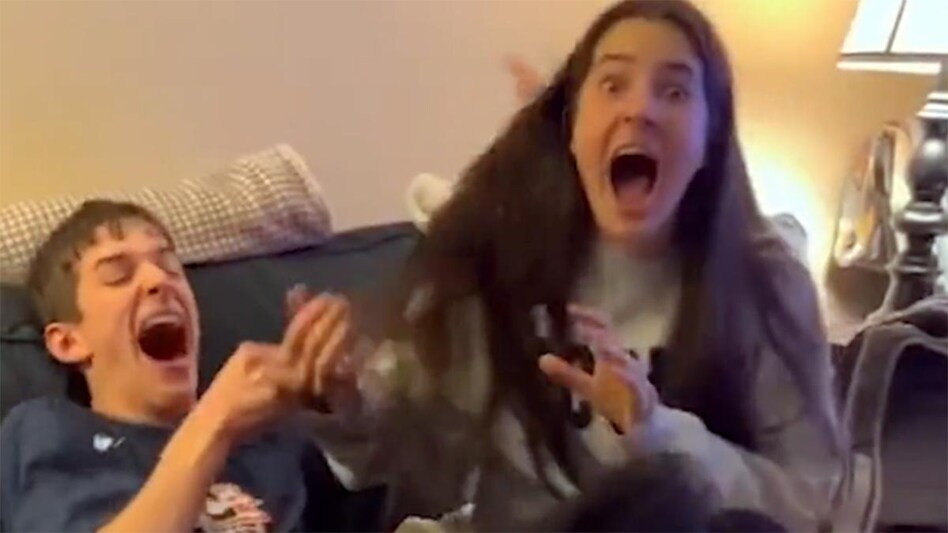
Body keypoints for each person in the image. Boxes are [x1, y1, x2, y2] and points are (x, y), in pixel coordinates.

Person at [292, 0, 845, 531]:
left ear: (711, 140)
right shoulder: (495, 262)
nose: (639, 110)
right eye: (612, 84)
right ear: (573, 129)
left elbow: (804, 503)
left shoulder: (766, 284)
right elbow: (413, 454)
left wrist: (655, 432)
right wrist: (345, 403)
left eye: (674, 91)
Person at [0, 200, 354, 532]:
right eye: (118, 275)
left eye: (170, 267)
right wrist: (215, 425)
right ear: (68, 342)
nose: (159, 280)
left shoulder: (271, 437)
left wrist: (347, 412)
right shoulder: (50, 430)